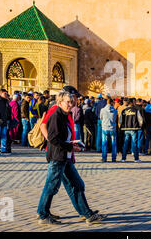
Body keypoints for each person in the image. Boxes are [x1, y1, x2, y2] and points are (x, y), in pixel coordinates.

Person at [36, 91, 106, 226]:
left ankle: (87, 214)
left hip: (65, 157)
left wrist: (72, 144)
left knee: (77, 184)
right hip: (58, 157)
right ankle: (43, 214)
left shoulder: (64, 115)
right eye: (68, 102)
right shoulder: (56, 114)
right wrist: (70, 147)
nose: (70, 104)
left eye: (71, 101)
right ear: (60, 102)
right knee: (52, 186)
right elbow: (53, 138)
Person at [120, 99, 144, 163]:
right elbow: (140, 119)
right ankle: (136, 158)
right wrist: (140, 125)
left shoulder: (123, 111)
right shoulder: (136, 111)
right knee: (134, 143)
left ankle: (123, 158)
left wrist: (123, 125)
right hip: (134, 128)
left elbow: (120, 120)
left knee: (125, 143)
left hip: (126, 129)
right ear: (132, 103)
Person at [100, 98, 118, 162]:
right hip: (112, 128)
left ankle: (104, 158)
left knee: (104, 143)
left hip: (105, 128)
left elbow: (101, 117)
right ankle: (114, 158)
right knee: (114, 143)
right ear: (112, 103)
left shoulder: (102, 110)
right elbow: (115, 118)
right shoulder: (115, 110)